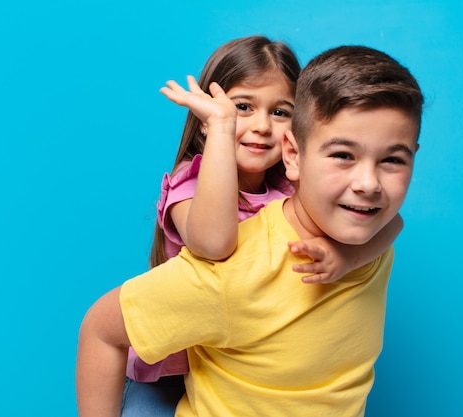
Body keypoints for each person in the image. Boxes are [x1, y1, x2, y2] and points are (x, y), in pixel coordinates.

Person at [76, 44, 424, 417]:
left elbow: (393, 224)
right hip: (168, 353)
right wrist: (221, 129)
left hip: (219, 346)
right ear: (296, 155)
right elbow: (214, 245)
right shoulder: (202, 196)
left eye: (392, 159)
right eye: (342, 155)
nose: (368, 184)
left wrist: (349, 256)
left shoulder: (346, 218)